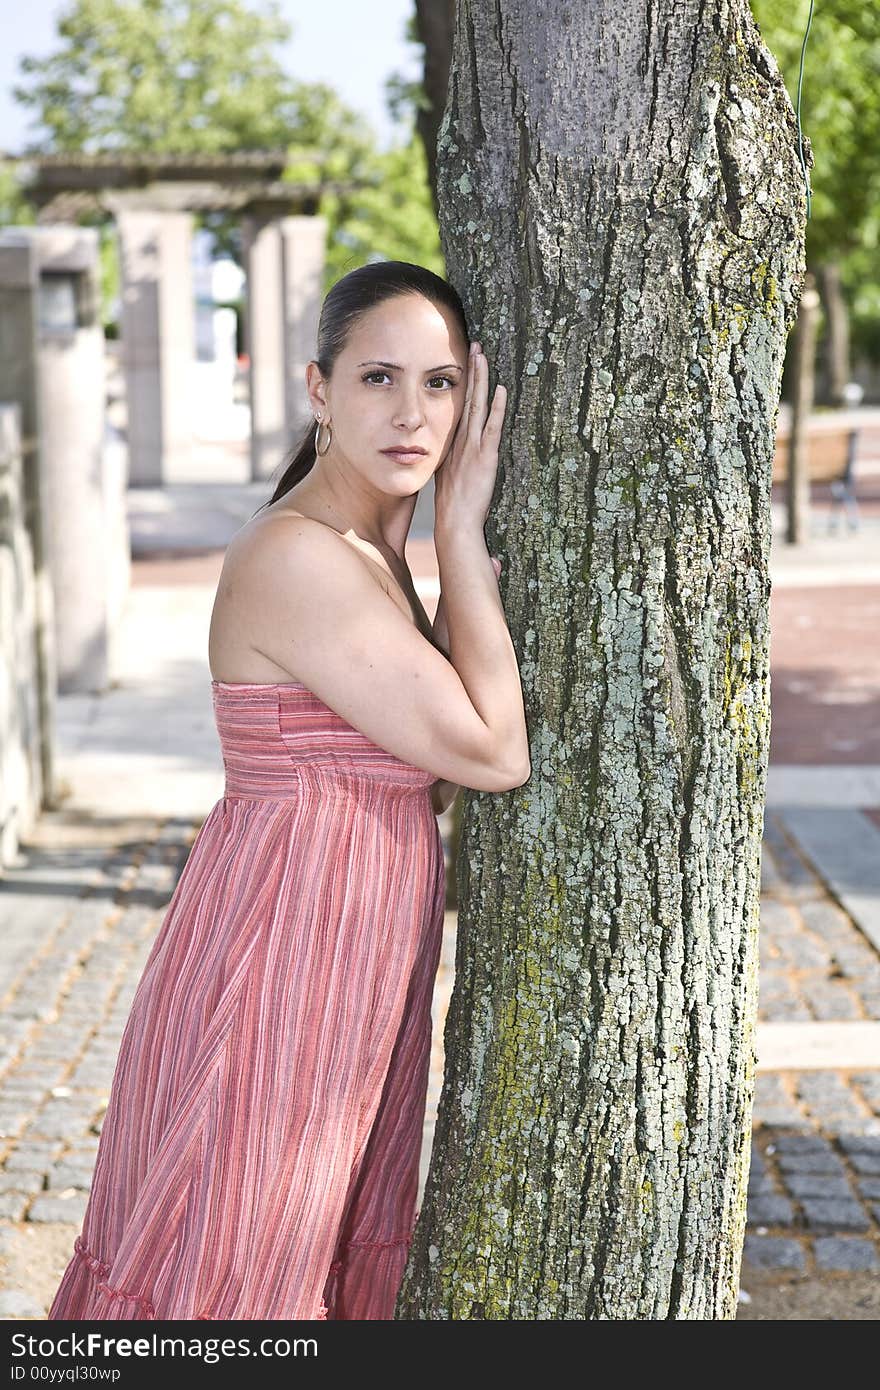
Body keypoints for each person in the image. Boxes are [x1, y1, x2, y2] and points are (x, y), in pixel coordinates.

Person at [47, 259, 530, 1321]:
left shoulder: (366, 552)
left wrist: (432, 554)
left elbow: (426, 780)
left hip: (349, 952)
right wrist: (462, 536)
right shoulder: (299, 557)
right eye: (378, 379)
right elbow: (493, 756)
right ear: (317, 388)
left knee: (297, 1259)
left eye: (442, 383)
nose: (414, 413)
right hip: (280, 955)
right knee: (233, 1271)